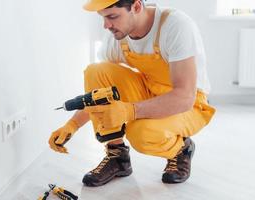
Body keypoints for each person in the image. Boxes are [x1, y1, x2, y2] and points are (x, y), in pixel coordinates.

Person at [49, 0, 216, 187]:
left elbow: (185, 97)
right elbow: (99, 97)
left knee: (141, 134)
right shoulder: (118, 37)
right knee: (96, 71)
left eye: (112, 16)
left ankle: (181, 150)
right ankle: (117, 156)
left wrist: (129, 111)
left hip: (189, 103)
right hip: (149, 90)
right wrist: (72, 125)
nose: (106, 25)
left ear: (136, 7)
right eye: (103, 17)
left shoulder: (175, 26)